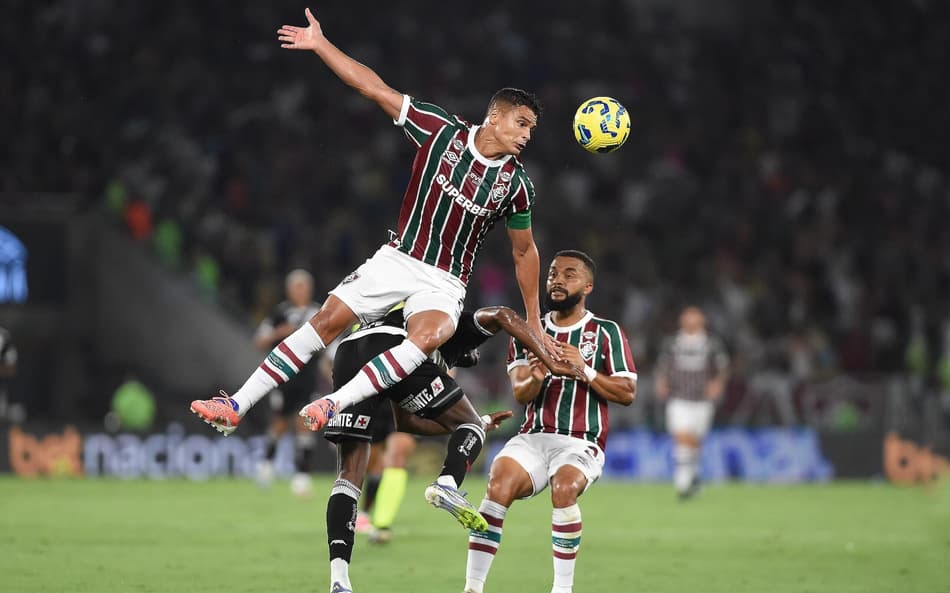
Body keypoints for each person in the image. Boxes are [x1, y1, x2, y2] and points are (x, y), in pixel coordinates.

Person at [191, 7, 555, 437]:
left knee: (429, 335)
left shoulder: (517, 186)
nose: (528, 135)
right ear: (495, 116)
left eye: (532, 128)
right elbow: (373, 87)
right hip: (399, 258)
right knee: (325, 321)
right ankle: (236, 404)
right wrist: (321, 44)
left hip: (446, 281)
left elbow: (524, 251)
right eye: (522, 123)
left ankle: (332, 402)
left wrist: (534, 318)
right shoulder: (440, 133)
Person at [322, 303, 581, 593]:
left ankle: (339, 579)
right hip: (395, 343)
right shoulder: (453, 323)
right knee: (469, 427)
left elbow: (407, 422)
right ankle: (447, 483)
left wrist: (477, 421)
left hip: (351, 351)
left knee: (348, 474)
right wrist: (546, 352)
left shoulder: (416, 315)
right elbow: (502, 315)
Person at [463, 250, 637, 593]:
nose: (557, 280)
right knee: (498, 484)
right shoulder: (529, 331)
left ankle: (561, 589)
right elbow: (521, 392)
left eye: (569, 275)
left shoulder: (605, 332)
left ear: (588, 286)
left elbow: (627, 392)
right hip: (534, 436)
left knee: (564, 488)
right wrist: (538, 375)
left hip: (581, 439)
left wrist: (583, 369)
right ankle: (472, 587)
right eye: (553, 274)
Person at [252, 269, 322, 497]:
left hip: (308, 377)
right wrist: (278, 333)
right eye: (297, 286)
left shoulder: (318, 312)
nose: (301, 290)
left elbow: (330, 344)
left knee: (305, 424)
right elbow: (259, 341)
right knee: (280, 422)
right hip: (283, 377)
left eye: (305, 286)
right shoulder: (279, 313)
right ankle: (266, 464)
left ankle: (302, 477)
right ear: (289, 290)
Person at [655, 306, 730, 499]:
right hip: (678, 398)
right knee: (681, 436)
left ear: (702, 320)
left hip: (702, 400)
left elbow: (722, 367)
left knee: (695, 441)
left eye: (694, 317)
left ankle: (693, 477)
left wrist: (717, 384)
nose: (690, 320)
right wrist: (662, 383)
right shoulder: (672, 343)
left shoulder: (711, 343)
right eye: (687, 317)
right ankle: (683, 482)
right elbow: (663, 366)